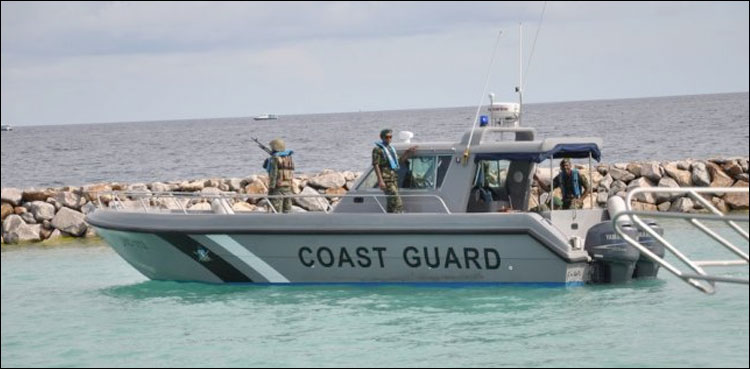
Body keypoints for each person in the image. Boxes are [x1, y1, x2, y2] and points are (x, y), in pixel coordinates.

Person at [372, 129, 416, 213]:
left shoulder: (391, 149)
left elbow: (397, 162)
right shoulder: (377, 150)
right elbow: (375, 164)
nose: (389, 139)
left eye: (390, 137)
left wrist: (407, 152)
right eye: (387, 137)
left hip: (393, 178)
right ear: (382, 138)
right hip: (386, 179)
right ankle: (398, 216)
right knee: (397, 201)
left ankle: (390, 218)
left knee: (391, 202)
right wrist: (380, 180)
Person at [265, 138, 295, 213]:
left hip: (278, 187)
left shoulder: (275, 158)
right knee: (287, 208)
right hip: (288, 185)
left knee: (276, 208)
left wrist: (271, 187)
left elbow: (274, 173)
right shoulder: (288, 157)